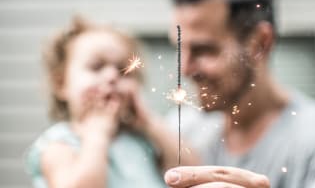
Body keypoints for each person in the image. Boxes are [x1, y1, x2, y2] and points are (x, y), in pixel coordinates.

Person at [164, 0, 315, 187]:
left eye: (204, 50)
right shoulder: (182, 129)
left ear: (260, 43)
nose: (184, 69)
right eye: (179, 48)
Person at [25, 16, 198, 188]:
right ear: (61, 84)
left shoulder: (142, 140)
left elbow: (193, 173)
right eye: (96, 66)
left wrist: (149, 122)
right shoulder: (60, 144)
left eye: (124, 71)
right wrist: (97, 133)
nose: (112, 76)